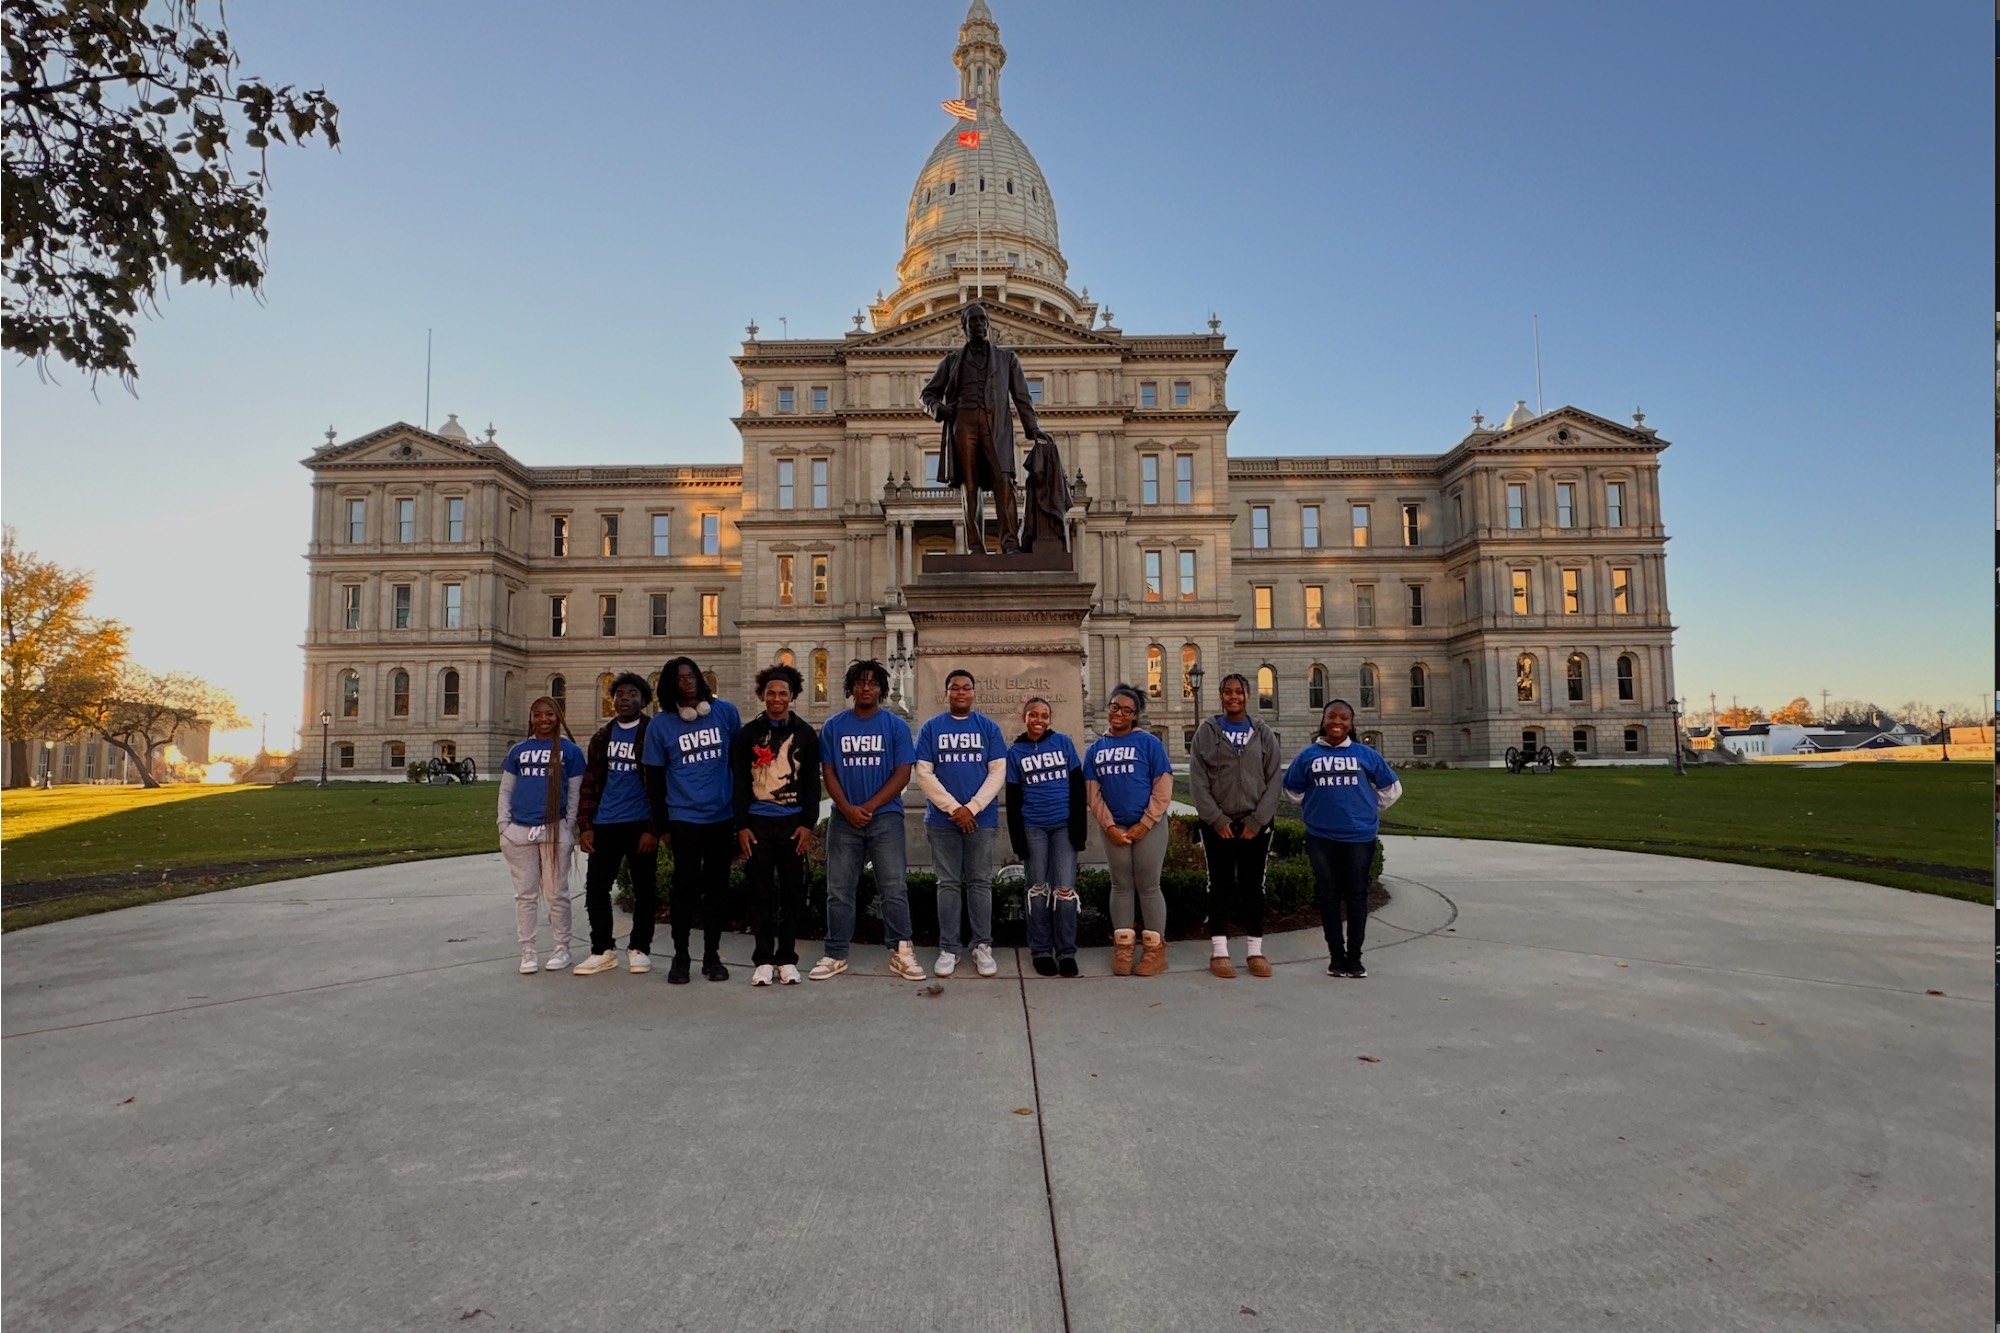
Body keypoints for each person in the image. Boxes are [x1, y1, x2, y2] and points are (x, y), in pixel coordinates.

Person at [812, 659, 926, 982]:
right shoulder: (834, 726)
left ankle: (901, 951)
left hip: (885, 817)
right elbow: (828, 772)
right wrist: (847, 808)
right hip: (844, 819)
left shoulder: (895, 726)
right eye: (860, 682)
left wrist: (870, 806)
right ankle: (835, 953)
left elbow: (902, 773)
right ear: (851, 687)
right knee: (839, 889)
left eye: (873, 682)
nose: (866, 687)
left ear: (881, 689)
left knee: (893, 887)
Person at [919, 302, 1052, 555]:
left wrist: (1032, 428)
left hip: (996, 426)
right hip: (963, 425)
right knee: (970, 486)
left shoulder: (1007, 359)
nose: (978, 324)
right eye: (973, 320)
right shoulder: (951, 361)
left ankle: (1009, 543)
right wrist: (939, 408)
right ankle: (975, 547)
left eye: (982, 320)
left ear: (988, 324)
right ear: (964, 327)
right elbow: (927, 395)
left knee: (1004, 481)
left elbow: (1022, 397)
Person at [1283, 699, 1402, 979]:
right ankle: (1336, 957)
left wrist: (1367, 805)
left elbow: (1392, 788)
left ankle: (1355, 958)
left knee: (1357, 895)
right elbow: (1292, 789)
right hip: (1321, 837)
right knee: (1328, 895)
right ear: (1323, 721)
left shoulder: (1365, 754)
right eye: (1332, 717)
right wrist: (1315, 806)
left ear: (1351, 723)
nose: (1337, 722)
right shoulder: (1308, 755)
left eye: (1343, 718)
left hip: (1359, 837)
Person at [642, 656, 741, 984]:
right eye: (680, 679)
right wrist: (663, 827)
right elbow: (654, 781)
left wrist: (740, 813)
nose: (688, 682)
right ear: (670, 687)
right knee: (684, 889)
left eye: (691, 676)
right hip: (683, 819)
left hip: (721, 816)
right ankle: (681, 956)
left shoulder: (725, 713)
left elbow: (739, 763)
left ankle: (712, 956)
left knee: (717, 889)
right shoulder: (660, 726)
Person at [914, 669, 1009, 978]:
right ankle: (949, 948)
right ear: (947, 693)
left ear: (973, 692)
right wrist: (955, 808)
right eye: (955, 688)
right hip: (942, 821)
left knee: (980, 881)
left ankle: (982, 945)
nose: (961, 692)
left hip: (982, 820)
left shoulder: (988, 728)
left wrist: (973, 807)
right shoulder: (931, 728)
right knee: (948, 883)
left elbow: (997, 772)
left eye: (966, 687)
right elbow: (924, 773)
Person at [731, 663, 821, 987]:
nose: (777, 698)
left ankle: (786, 958)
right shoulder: (748, 735)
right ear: (762, 695)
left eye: (783, 693)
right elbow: (739, 783)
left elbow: (812, 783)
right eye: (771, 693)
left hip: (792, 825)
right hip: (758, 825)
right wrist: (741, 825)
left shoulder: (805, 734)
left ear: (792, 696)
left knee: (793, 893)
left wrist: (808, 824)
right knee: (760, 893)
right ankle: (763, 960)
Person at [1189, 671, 1283, 979]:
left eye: (1238, 692)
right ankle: (1220, 952)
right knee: (1220, 886)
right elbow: (1198, 781)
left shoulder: (1262, 732)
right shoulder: (1206, 733)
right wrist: (1217, 819)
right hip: (1219, 825)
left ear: (1247, 696)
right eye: (1228, 692)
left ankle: (1255, 951)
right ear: (1221, 696)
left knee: (1253, 886)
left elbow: (1274, 780)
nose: (1233, 697)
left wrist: (1258, 820)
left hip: (1256, 825)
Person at [573, 672, 660, 977]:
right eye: (620, 694)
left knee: (644, 889)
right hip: (605, 822)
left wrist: (653, 828)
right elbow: (590, 783)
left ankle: (639, 948)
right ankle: (602, 950)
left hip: (640, 824)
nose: (624, 699)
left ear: (644, 700)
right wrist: (586, 825)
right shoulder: (602, 737)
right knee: (596, 889)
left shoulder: (652, 733)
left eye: (632, 694)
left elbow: (661, 785)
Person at [1085, 685, 1175, 977]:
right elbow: (1093, 794)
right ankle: (1123, 946)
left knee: (1148, 886)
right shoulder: (1096, 749)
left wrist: (1146, 823)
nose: (1119, 714)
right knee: (1121, 885)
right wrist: (1109, 826)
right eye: (1115, 707)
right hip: (1115, 828)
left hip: (1149, 827)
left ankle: (1155, 950)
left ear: (1135, 715)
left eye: (1126, 710)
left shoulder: (1148, 743)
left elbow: (1163, 786)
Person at [498, 697, 586, 974]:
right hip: (519, 831)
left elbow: (575, 795)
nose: (543, 719)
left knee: (556, 893)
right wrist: (504, 826)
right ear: (531, 718)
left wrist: (568, 827)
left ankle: (562, 947)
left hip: (554, 828)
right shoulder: (518, 751)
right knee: (525, 895)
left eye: (549, 714)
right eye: (537, 714)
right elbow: (506, 790)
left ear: (558, 717)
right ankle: (528, 949)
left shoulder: (570, 752)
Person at [1005, 696, 1087, 977]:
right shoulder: (1015, 753)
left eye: (1044, 715)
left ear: (1050, 719)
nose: (1038, 719)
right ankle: (1040, 950)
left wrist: (1079, 830)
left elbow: (1078, 787)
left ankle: (1066, 952)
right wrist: (1018, 840)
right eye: (1033, 714)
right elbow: (1013, 799)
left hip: (1064, 826)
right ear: (1024, 718)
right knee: (1037, 889)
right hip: (1033, 827)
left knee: (1064, 889)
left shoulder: (1063, 743)